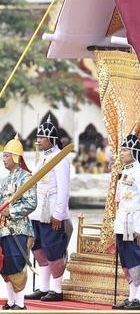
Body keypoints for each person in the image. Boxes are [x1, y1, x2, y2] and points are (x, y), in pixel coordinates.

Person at [25, 117, 72, 303]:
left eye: (41, 137)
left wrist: (59, 214)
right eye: (37, 137)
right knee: (38, 249)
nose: (38, 140)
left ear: (51, 138)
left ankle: (56, 290)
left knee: (54, 250)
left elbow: (63, 189)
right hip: (37, 212)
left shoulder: (60, 159)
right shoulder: (42, 157)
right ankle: (44, 288)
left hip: (52, 212)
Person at [113, 134, 140, 310]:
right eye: (121, 150)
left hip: (136, 223)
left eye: (125, 150)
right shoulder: (125, 171)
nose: (121, 153)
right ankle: (131, 297)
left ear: (134, 152)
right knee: (127, 260)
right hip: (123, 223)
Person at [0, 135, 37, 310]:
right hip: (3, 229)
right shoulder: (4, 180)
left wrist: (11, 211)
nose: (3, 159)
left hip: (19, 229)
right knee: (5, 266)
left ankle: (20, 303)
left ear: (16, 157)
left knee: (17, 264)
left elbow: (31, 203)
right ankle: (11, 301)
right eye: (3, 156)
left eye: (7, 156)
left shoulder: (26, 178)